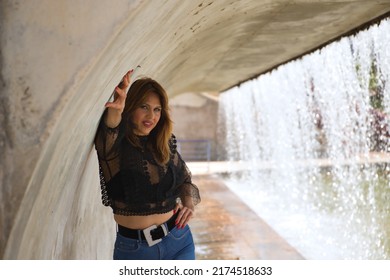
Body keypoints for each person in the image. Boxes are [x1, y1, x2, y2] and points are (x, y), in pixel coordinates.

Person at [94, 69, 201, 260]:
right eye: (144, 107)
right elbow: (110, 128)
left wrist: (189, 204)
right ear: (130, 106)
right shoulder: (115, 146)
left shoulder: (164, 142)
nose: (151, 116)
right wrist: (116, 109)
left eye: (157, 109)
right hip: (136, 250)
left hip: (178, 240)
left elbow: (184, 178)